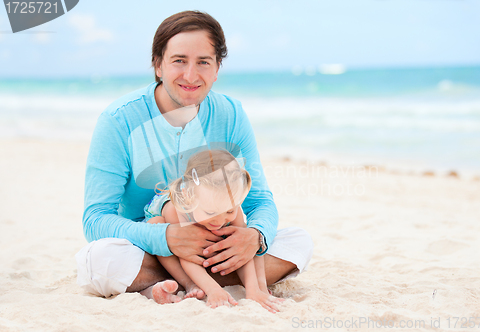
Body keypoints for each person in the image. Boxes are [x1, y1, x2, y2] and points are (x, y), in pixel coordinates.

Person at [75, 10, 314, 305]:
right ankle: (200, 278)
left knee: (299, 241)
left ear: (216, 69)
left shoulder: (232, 115)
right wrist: (166, 238)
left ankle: (175, 284)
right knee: (99, 260)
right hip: (147, 246)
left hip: (218, 240)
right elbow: (96, 218)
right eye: (179, 61)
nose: (191, 75)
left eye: (203, 62)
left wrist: (255, 237)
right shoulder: (118, 120)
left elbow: (259, 200)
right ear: (158, 65)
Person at [145, 149, 283, 312]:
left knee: (251, 237)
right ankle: (190, 284)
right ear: (190, 197)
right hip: (176, 237)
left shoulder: (231, 205)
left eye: (229, 211)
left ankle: (258, 287)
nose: (219, 221)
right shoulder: (177, 210)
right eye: (210, 213)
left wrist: (253, 289)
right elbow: (186, 254)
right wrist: (214, 290)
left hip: (207, 223)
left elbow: (244, 248)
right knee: (157, 226)